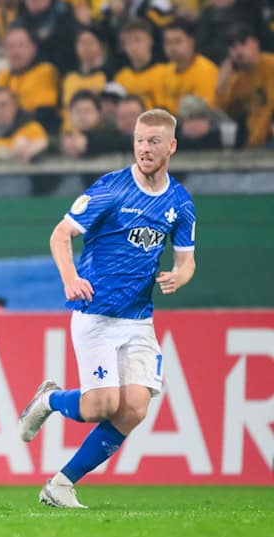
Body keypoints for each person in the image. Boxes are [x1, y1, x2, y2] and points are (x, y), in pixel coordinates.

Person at [18, 108, 197, 508]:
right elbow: (61, 234)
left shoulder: (179, 203)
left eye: (154, 141)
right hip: (96, 314)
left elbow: (187, 260)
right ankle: (48, 400)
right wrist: (69, 279)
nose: (145, 148)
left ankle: (61, 484)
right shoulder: (111, 189)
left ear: (172, 146)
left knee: (133, 409)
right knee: (101, 405)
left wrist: (178, 277)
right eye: (139, 140)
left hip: (139, 319)